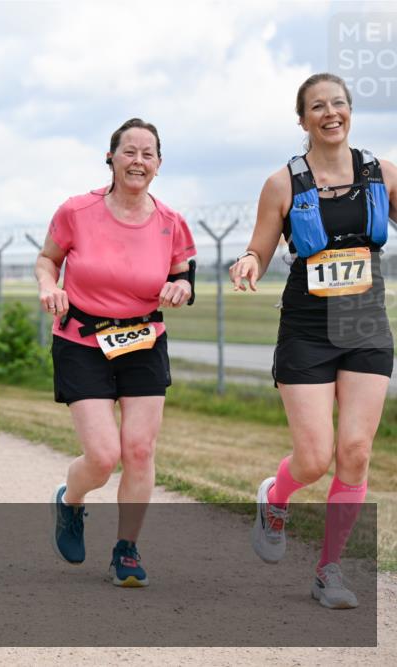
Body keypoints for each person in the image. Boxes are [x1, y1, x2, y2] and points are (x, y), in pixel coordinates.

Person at [230, 73, 396, 610]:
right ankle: (274, 497)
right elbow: (259, 245)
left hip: (367, 325)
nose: (331, 113)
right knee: (315, 457)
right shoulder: (284, 183)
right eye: (318, 106)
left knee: (355, 450)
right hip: (308, 328)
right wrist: (250, 261)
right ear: (302, 120)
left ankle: (329, 570)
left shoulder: (381, 174)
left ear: (350, 112)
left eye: (339, 103)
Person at [35, 118, 196, 587]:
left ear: (159, 165)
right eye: (129, 151)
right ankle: (70, 502)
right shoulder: (76, 211)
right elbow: (48, 260)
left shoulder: (171, 222)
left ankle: (126, 549)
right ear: (111, 157)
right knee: (104, 456)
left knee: (140, 450)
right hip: (81, 339)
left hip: (143, 339)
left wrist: (180, 289)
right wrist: (50, 287)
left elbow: (184, 276)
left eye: (148, 154)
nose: (138, 161)